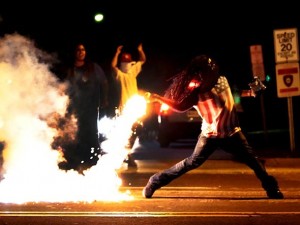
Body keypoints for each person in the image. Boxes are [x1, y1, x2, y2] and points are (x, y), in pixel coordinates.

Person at [142, 54, 284, 199]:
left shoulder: (222, 80)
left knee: (253, 161)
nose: (210, 77)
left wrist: (251, 93)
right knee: (191, 163)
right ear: (200, 75)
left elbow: (233, 92)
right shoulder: (195, 93)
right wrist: (157, 98)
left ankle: (272, 189)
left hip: (232, 133)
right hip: (210, 135)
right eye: (206, 74)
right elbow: (179, 107)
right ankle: (155, 181)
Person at [58, 43, 109, 173]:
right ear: (74, 52)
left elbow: (104, 83)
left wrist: (104, 99)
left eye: (83, 50)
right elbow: (63, 86)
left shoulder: (93, 67)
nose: (81, 52)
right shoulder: (69, 69)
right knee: (74, 134)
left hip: (91, 107)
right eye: (78, 50)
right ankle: (74, 162)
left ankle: (91, 162)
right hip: (74, 107)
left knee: (91, 133)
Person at [111, 43, 146, 168]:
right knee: (126, 133)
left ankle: (127, 154)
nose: (126, 64)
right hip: (124, 110)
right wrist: (117, 53)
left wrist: (140, 50)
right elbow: (112, 66)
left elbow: (142, 60)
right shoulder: (120, 75)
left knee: (133, 132)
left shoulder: (132, 73)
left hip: (134, 109)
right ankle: (127, 156)